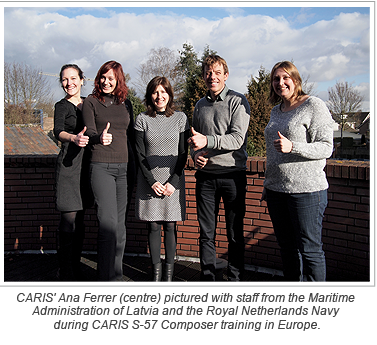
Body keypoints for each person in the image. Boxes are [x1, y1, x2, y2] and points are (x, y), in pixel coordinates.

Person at [261, 61, 334, 281]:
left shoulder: (313, 105)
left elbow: (326, 147)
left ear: (296, 80)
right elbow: (272, 154)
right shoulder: (276, 110)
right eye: (276, 79)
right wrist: (268, 184)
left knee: (310, 251)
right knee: (287, 250)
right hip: (276, 191)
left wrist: (294, 146)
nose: (280, 83)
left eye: (285, 78)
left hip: (307, 192)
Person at [188, 55, 251, 281]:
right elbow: (195, 139)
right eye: (208, 72)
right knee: (206, 234)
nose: (211, 77)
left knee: (234, 234)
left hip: (233, 176)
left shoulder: (237, 101)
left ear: (225, 75)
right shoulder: (199, 105)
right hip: (205, 178)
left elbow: (236, 139)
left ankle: (234, 279)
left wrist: (207, 142)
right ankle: (208, 279)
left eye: (216, 72)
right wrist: (196, 155)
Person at [82, 60, 135, 281]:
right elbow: (89, 132)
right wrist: (98, 138)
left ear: (118, 80)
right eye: (103, 77)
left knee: (120, 227)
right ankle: (104, 278)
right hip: (101, 167)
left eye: (111, 78)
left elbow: (131, 136)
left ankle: (117, 274)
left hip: (124, 169)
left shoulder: (126, 104)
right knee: (107, 224)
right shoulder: (91, 102)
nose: (106, 82)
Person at [134, 76, 189, 281]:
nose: (160, 96)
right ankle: (156, 276)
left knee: (170, 225)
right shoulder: (141, 119)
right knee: (153, 225)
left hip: (172, 181)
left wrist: (173, 183)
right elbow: (139, 154)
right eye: (156, 92)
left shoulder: (181, 118)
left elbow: (183, 153)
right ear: (150, 95)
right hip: (150, 180)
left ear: (169, 95)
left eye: (164, 92)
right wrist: (152, 181)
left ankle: (168, 276)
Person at [53, 64, 93, 281]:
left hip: (87, 167)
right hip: (69, 168)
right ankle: (65, 270)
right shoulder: (61, 106)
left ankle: (75, 266)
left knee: (81, 219)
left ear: (81, 79)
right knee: (68, 220)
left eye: (73, 78)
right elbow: (57, 130)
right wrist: (73, 137)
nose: (69, 83)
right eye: (65, 79)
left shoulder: (90, 103)